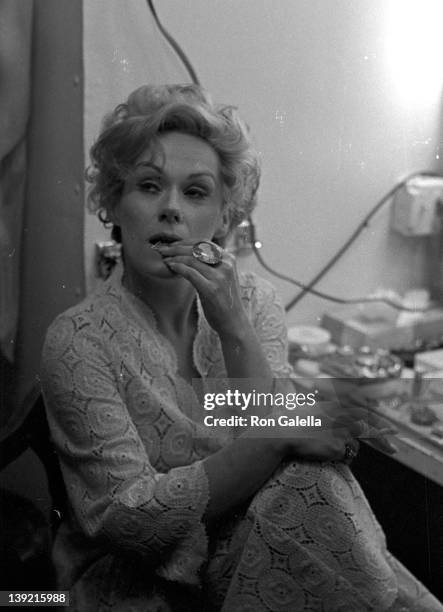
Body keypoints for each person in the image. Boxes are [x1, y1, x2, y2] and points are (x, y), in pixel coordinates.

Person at [40, 84, 442, 611]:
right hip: (133, 578)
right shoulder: (77, 340)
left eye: (196, 192)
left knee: (313, 485)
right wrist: (278, 437)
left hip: (254, 529)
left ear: (226, 217)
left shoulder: (252, 302)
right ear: (114, 201)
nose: (170, 210)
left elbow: (272, 420)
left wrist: (233, 329)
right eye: (148, 185)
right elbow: (126, 521)